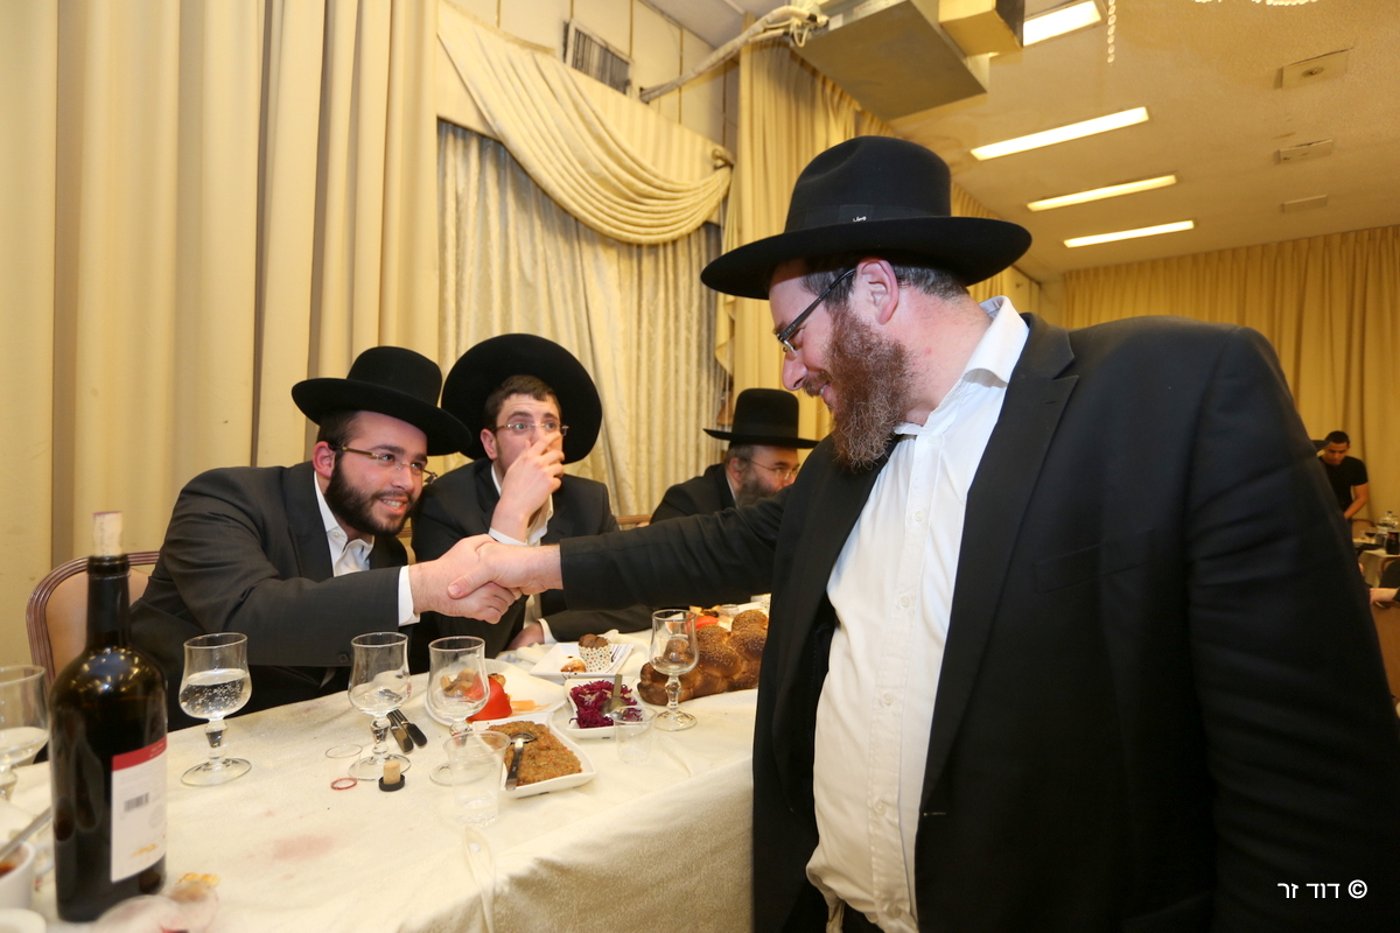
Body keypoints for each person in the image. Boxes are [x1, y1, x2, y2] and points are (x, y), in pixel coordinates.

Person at [448, 137, 1400, 931]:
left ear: (874, 290)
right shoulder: (847, 466)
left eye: (792, 336)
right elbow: (704, 549)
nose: (794, 371)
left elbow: (1314, 794)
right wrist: (522, 562)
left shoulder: (1172, 396)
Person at [132, 347, 515, 728]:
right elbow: (247, 620)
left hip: (309, 743)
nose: (407, 481)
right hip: (172, 738)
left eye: (417, 464)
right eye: (386, 457)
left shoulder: (387, 551)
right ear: (326, 460)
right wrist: (420, 586)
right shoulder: (225, 499)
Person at [410, 334, 648, 662]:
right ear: (490, 443)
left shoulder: (589, 500)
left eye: (550, 425)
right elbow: (468, 645)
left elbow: (637, 602)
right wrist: (513, 515)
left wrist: (543, 629)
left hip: (560, 671)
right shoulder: (443, 503)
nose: (540, 440)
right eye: (520, 425)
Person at [651, 387, 818, 522]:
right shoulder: (687, 504)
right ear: (738, 468)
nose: (791, 482)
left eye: (794, 470)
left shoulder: (786, 509)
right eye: (779, 469)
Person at [1318, 429, 1369, 520]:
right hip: (1316, 515)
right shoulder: (1314, 465)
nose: (1336, 456)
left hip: (1343, 514)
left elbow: (1362, 497)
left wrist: (1343, 518)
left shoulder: (1355, 465)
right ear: (1324, 448)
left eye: (1341, 452)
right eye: (1332, 451)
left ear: (1348, 448)